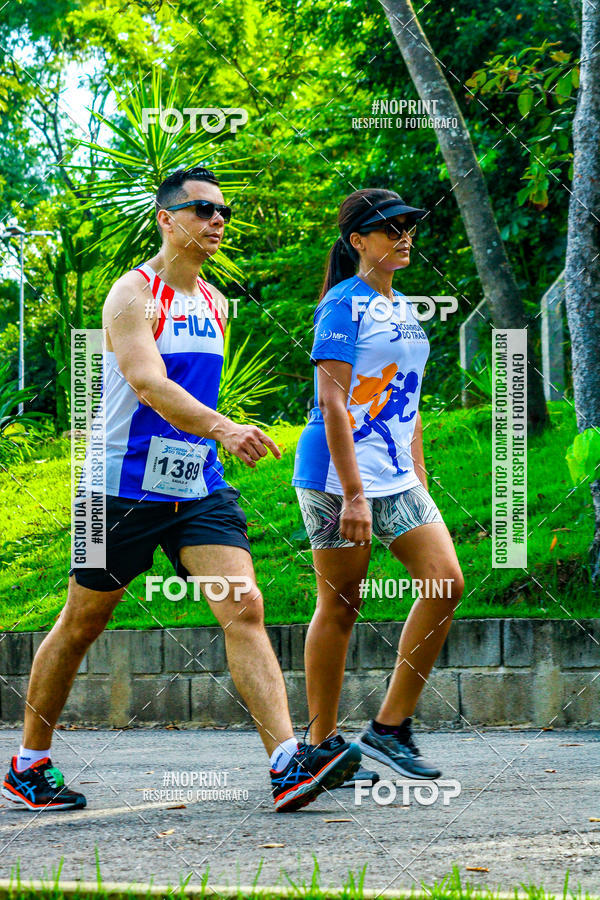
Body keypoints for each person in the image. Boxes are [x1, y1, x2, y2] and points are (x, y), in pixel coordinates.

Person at [2, 166, 360, 813]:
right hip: (112, 491)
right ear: (166, 220)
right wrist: (225, 428)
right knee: (82, 624)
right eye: (201, 209)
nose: (216, 219)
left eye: (223, 210)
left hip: (196, 487)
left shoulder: (216, 303)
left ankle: (286, 764)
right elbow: (147, 382)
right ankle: (29, 764)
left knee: (244, 606)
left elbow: (192, 391)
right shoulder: (131, 295)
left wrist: (213, 441)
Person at [291, 188, 464, 783]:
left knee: (446, 584)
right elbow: (330, 404)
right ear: (358, 241)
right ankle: (320, 746)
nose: (405, 236)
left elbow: (407, 401)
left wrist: (418, 472)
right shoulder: (343, 306)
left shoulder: (405, 309)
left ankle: (389, 729)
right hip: (336, 478)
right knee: (340, 606)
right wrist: (355, 494)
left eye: (409, 226)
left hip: (395, 474)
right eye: (390, 228)